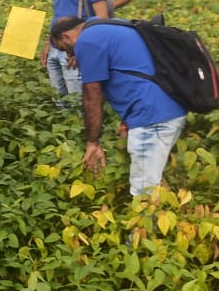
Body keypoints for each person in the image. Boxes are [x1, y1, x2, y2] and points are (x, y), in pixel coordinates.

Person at [50, 16, 187, 196]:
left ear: (66, 37)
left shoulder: (87, 42)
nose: (69, 56)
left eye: (64, 49)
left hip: (152, 117)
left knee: (143, 192)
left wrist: (92, 142)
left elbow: (92, 97)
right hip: (168, 106)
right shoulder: (107, 25)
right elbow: (131, 69)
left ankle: (153, 213)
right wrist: (126, 122)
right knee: (153, 180)